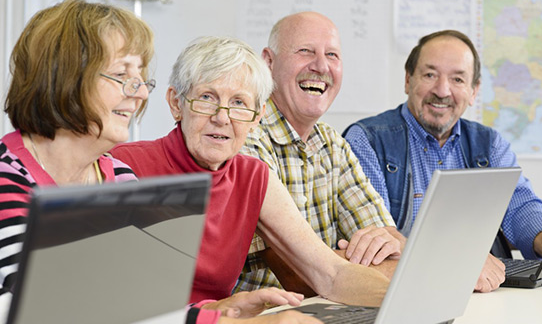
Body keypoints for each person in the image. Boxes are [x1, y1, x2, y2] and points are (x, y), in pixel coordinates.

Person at [110, 36, 395, 323]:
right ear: (176, 104)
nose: (222, 118)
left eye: (239, 103)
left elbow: (331, 273)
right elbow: (111, 301)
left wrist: (407, 301)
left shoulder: (253, 177)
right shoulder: (124, 165)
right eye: (207, 98)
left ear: (256, 117)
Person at [343, 29, 542, 293]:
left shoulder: (489, 144)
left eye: (458, 79)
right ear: (408, 80)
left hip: (486, 293)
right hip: (407, 293)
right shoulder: (367, 141)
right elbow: (377, 240)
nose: (442, 91)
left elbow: (522, 206)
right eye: (430, 75)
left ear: (474, 91)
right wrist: (459, 260)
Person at [234, 12, 405, 295]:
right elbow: (299, 276)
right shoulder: (244, 136)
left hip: (328, 308)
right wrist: (363, 267)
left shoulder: (332, 143)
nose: (321, 66)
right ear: (268, 62)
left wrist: (382, 253)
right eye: (305, 51)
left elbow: (388, 245)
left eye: (332, 55)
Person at [0, 0, 153, 311]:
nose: (140, 92)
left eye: (140, 77)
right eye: (122, 75)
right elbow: (47, 310)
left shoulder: (122, 180)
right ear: (66, 77)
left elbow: (146, 299)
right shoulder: (7, 180)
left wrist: (221, 312)